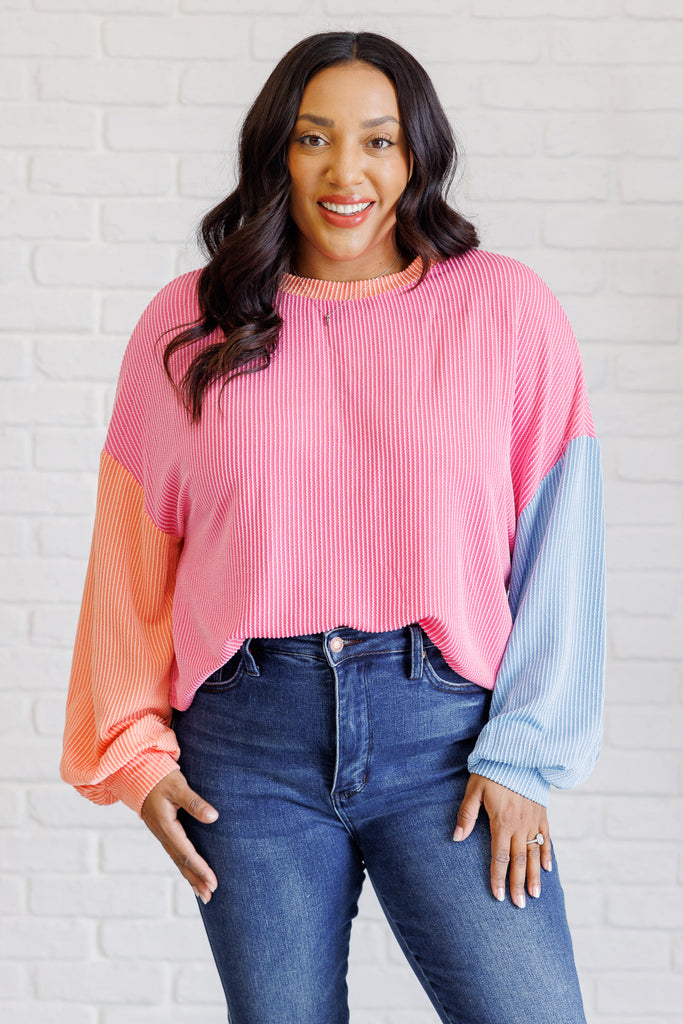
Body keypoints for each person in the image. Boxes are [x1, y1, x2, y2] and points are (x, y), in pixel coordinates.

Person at [60, 30, 605, 1024]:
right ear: (275, 150)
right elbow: (131, 558)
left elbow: (559, 548)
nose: (344, 172)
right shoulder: (189, 323)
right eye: (313, 138)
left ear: (416, 154)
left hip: (446, 741)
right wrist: (135, 755)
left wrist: (523, 753)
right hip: (245, 747)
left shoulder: (503, 310)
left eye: (377, 141)